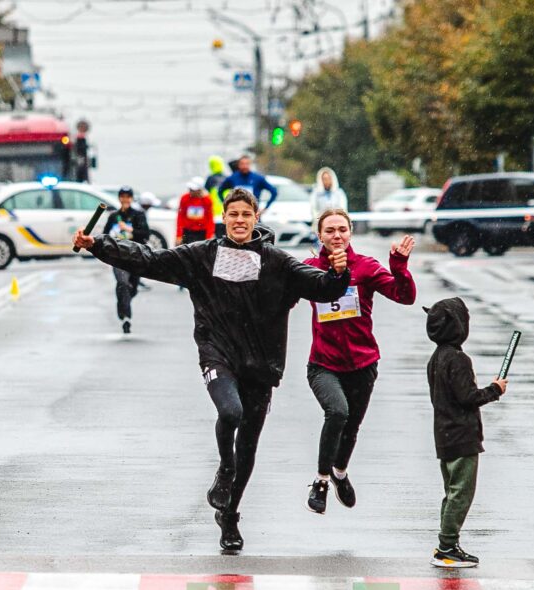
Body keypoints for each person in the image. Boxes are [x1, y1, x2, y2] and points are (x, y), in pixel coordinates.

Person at [73, 188, 350, 553]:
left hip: (261, 364)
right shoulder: (202, 256)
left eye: (245, 215)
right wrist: (100, 245)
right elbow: (149, 259)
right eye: (232, 214)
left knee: (248, 446)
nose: (239, 220)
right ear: (224, 218)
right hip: (217, 353)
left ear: (255, 219)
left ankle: (230, 516)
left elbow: (321, 287)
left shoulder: (276, 262)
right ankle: (224, 468)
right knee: (230, 411)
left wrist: (338, 271)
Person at [303, 209, 416, 514]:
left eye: (342, 229)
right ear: (320, 236)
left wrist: (399, 267)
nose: (336, 236)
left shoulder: (365, 267)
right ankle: (321, 481)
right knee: (337, 412)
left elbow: (405, 296)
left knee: (352, 426)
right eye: (330, 231)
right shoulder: (311, 269)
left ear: (350, 232)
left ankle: (340, 472)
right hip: (323, 364)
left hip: (363, 364)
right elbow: (280, 293)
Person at [425, 297, 507, 568]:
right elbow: (468, 396)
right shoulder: (458, 359)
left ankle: (447, 544)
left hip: (444, 435)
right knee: (461, 493)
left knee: (451, 492)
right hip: (462, 436)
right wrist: (495, 390)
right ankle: (446, 546)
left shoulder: (436, 358)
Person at [104, 186, 150, 334]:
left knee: (132, 288)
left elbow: (145, 235)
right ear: (119, 198)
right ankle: (126, 317)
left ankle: (122, 302)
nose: (125, 199)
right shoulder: (113, 217)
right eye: (122, 197)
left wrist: (130, 230)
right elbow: (105, 236)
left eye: (128, 197)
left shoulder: (138, 216)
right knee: (122, 283)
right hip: (118, 257)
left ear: (131, 198)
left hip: (135, 256)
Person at [176, 177, 215, 245]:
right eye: (190, 189)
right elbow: (180, 217)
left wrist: (209, 236)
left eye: (193, 189)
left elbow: (210, 220)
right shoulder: (184, 198)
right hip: (187, 232)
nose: (190, 191)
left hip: (202, 233)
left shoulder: (207, 200)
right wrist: (179, 235)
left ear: (200, 190)